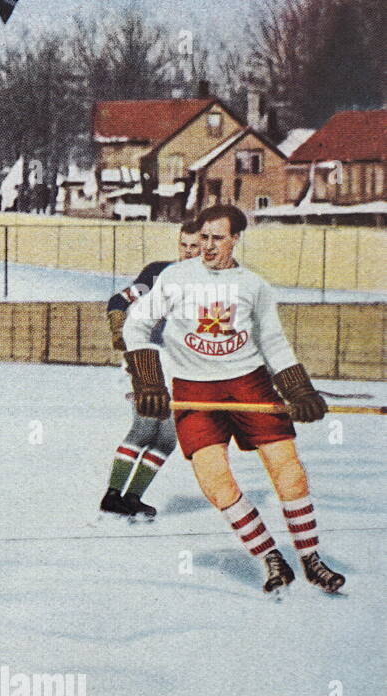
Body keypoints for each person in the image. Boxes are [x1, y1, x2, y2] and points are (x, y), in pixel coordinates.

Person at [123, 204, 343, 595]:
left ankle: (311, 558)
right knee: (214, 481)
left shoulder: (253, 285)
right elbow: (136, 323)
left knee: (287, 468)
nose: (207, 247)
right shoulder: (176, 277)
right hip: (194, 387)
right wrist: (149, 383)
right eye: (203, 238)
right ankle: (270, 556)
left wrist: (299, 391)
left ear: (235, 239)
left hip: (248, 383)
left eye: (217, 238)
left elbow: (272, 341)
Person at [100, 216, 201, 520]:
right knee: (145, 428)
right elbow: (119, 300)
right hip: (149, 360)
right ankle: (112, 497)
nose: (188, 252)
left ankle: (131, 498)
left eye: (195, 246)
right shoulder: (159, 273)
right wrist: (118, 328)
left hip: (182, 366)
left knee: (167, 439)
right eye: (184, 245)